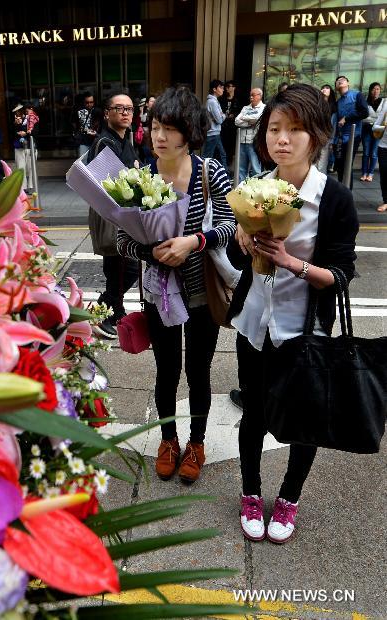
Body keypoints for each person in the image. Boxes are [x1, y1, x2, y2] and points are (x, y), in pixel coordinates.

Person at [228, 83, 359, 544]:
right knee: (255, 413)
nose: (281, 140)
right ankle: (250, 492)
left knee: (306, 417)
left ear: (318, 135)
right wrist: (242, 241)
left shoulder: (335, 199)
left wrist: (292, 262)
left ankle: (288, 498)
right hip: (255, 324)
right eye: (275, 129)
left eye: (295, 130)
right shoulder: (254, 188)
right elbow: (237, 252)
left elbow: (341, 274)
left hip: (305, 330)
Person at [117, 87, 236, 484]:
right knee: (166, 370)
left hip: (201, 290)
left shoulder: (209, 172)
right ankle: (168, 439)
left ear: (190, 133)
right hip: (158, 292)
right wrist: (153, 253)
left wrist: (193, 242)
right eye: (154, 126)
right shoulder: (140, 178)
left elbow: (230, 225)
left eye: (169, 128)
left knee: (199, 371)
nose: (159, 136)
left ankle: (196, 442)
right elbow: (122, 239)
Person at [83, 93, 141, 339]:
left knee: (117, 268)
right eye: (120, 108)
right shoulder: (105, 142)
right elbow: (112, 183)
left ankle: (115, 312)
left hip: (119, 214)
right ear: (107, 113)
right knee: (125, 268)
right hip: (111, 214)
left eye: (129, 108)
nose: (126, 113)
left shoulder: (123, 139)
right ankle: (101, 311)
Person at [333, 75, 368, 188]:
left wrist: (346, 118)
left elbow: (364, 112)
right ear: (336, 87)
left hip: (354, 136)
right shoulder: (338, 102)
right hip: (340, 137)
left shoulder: (357, 95)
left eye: (343, 79)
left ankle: (347, 192)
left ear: (348, 83)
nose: (340, 80)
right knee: (339, 165)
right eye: (338, 81)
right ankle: (341, 190)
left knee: (347, 165)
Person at [234, 88, 265, 182]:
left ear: (260, 96)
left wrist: (245, 118)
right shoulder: (245, 108)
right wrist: (249, 123)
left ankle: (256, 191)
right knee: (241, 169)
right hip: (242, 141)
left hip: (253, 142)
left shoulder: (264, 108)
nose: (251, 97)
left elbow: (257, 119)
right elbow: (237, 121)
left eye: (253, 95)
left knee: (256, 168)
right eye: (250, 95)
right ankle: (241, 190)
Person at [360, 82, 382, 182]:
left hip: (378, 130)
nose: (375, 91)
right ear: (370, 90)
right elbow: (363, 116)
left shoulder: (384, 102)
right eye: (374, 89)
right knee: (366, 152)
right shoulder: (365, 101)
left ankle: (371, 173)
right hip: (366, 129)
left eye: (378, 89)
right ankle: (364, 173)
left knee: (373, 153)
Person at [12, 105, 36, 193]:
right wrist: (17, 125)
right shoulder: (15, 122)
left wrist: (26, 133)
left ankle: (31, 186)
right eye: (16, 112)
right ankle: (23, 188)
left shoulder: (32, 118)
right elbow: (13, 134)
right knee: (20, 168)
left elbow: (35, 131)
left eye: (19, 111)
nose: (17, 113)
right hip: (19, 147)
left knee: (31, 168)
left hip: (30, 147)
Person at [203, 80, 227, 167]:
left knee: (220, 155)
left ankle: (224, 175)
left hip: (214, 132)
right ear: (214, 89)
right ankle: (201, 176)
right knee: (207, 158)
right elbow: (219, 120)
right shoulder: (212, 102)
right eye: (221, 88)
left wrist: (222, 115)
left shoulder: (214, 101)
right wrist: (224, 115)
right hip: (212, 133)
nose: (223, 90)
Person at [219, 80, 239, 169]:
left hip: (233, 128)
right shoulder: (221, 99)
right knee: (222, 148)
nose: (227, 89)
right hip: (223, 127)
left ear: (234, 88)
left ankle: (229, 168)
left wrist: (234, 115)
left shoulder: (237, 100)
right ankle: (223, 168)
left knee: (231, 149)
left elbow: (240, 112)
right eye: (226, 87)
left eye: (229, 86)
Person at [319, 84, 338, 173]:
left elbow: (333, 124)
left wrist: (332, 140)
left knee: (323, 160)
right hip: (316, 134)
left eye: (327, 88)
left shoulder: (333, 106)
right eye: (322, 88)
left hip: (326, 136)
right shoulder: (317, 105)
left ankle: (321, 181)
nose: (324, 89)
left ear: (331, 92)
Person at [373, 96, 387, 212]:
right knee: (385, 175)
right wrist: (385, 126)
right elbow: (375, 127)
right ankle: (386, 201)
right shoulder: (386, 104)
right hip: (384, 147)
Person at [139, 96, 155, 162]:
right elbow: (142, 120)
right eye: (152, 101)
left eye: (155, 101)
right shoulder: (145, 112)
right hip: (146, 137)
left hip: (153, 137)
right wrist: (141, 111)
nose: (154, 102)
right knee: (147, 155)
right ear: (147, 104)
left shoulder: (156, 112)